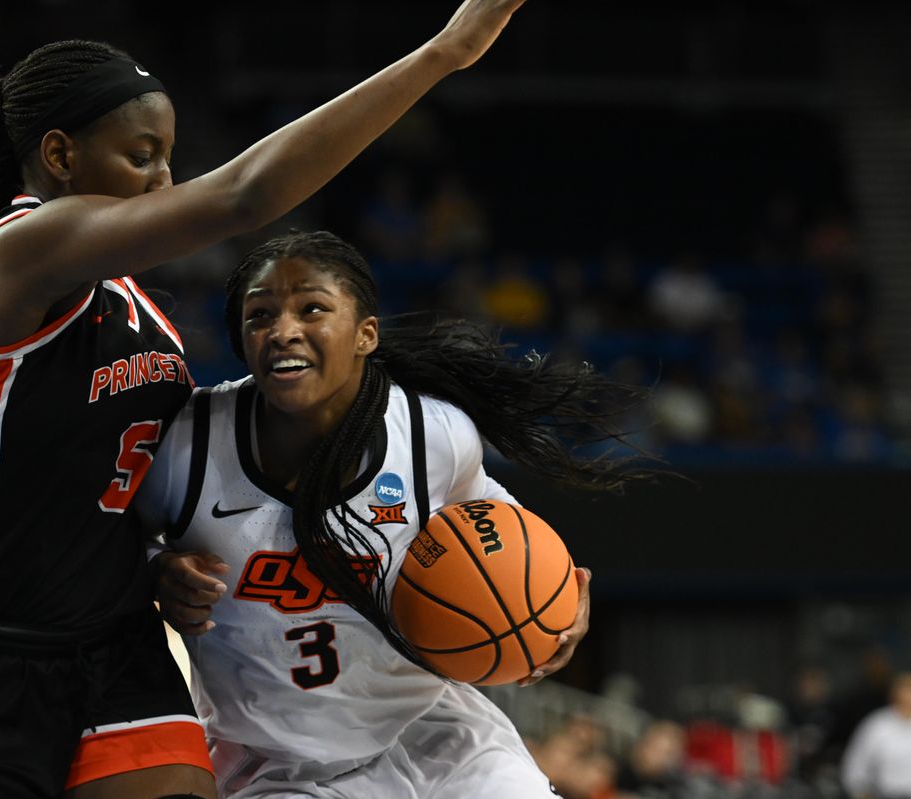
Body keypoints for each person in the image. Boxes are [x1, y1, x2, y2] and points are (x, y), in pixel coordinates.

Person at [0, 2, 536, 798]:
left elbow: (139, 494)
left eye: (170, 159)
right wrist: (442, 54)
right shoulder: (16, 254)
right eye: (142, 157)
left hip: (111, 649)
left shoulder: (141, 314)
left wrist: (156, 563)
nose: (163, 183)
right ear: (59, 156)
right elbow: (243, 198)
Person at [138, 230, 649, 797]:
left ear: (366, 334)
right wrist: (154, 568)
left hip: (434, 733)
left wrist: (554, 601)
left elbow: (493, 516)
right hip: (277, 759)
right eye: (260, 315)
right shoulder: (186, 446)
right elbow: (92, 544)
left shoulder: (432, 432)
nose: (283, 330)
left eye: (312, 308)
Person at [840, 670, 911, 799]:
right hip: (885, 794)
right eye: (906, 688)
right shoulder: (876, 724)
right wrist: (862, 793)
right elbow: (854, 767)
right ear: (895, 692)